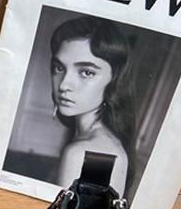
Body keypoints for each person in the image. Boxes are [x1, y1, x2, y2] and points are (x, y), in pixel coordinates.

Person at [50, 15, 135, 198]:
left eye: (87, 72)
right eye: (59, 68)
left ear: (114, 80)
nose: (64, 84)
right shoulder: (101, 140)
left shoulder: (83, 153)